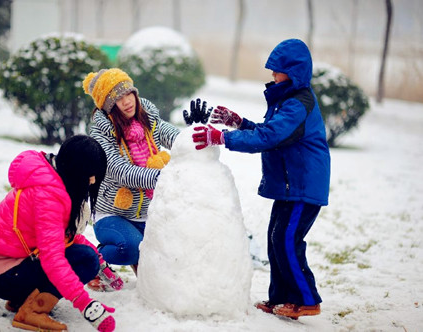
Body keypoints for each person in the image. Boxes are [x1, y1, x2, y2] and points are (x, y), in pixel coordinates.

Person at [192, 39, 330, 319]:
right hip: (291, 185)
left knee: (288, 240)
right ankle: (279, 297)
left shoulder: (298, 104)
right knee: (275, 238)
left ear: (292, 72)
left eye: (277, 70)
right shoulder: (287, 100)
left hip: (304, 185)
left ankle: (306, 299)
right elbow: (268, 131)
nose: (272, 75)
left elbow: (269, 138)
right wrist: (239, 123)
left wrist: (222, 137)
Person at [0, 135, 122, 332]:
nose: (93, 181)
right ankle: (32, 312)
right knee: (85, 260)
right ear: (76, 171)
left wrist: (101, 261)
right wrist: (86, 304)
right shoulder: (49, 197)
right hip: (5, 275)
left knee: (88, 257)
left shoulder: (49, 176)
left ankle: (23, 300)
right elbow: (52, 259)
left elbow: (65, 237)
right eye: (90, 175)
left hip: (5, 267)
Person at [82, 68, 180, 277]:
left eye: (129, 94)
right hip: (112, 213)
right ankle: (94, 259)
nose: (127, 101)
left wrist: (195, 136)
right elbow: (120, 171)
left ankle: (140, 257)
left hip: (147, 212)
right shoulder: (102, 133)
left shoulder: (147, 119)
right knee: (130, 249)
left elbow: (171, 135)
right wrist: (162, 177)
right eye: (119, 98)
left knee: (172, 250)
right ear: (109, 105)